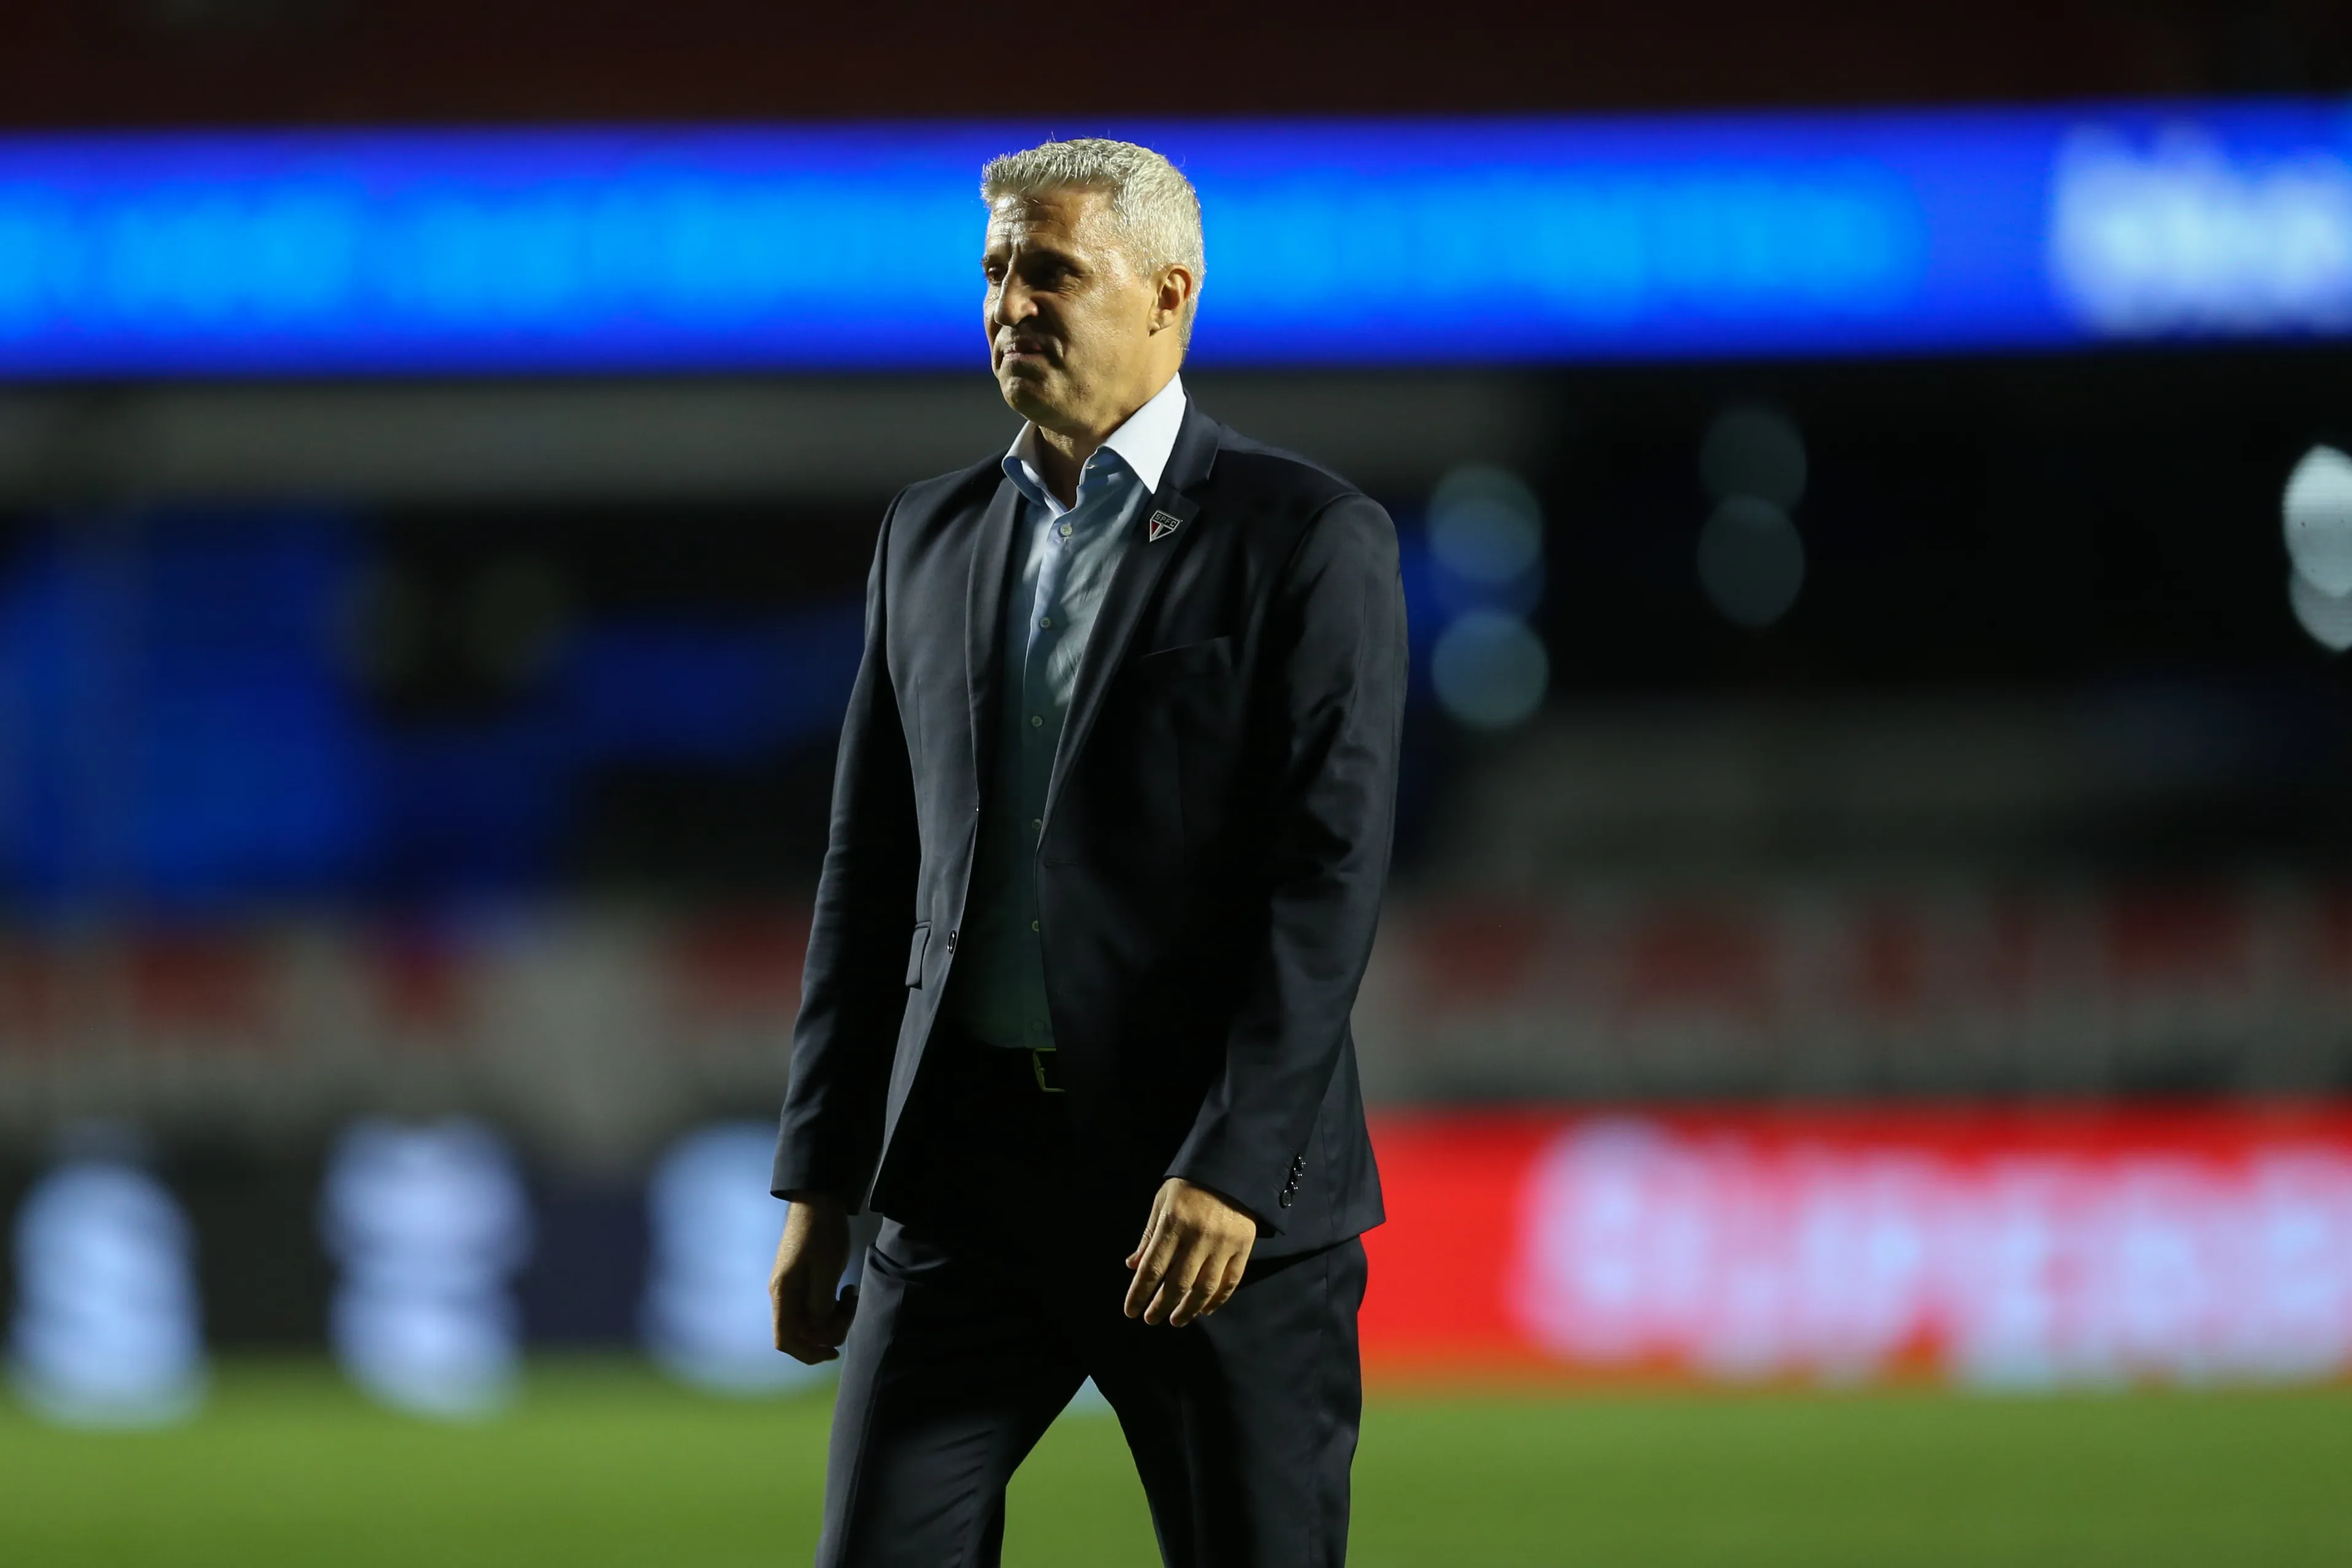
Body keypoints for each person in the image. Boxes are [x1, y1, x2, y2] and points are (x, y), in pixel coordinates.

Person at [768, 136, 1407, 1568]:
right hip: (963, 1185)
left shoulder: (1305, 536)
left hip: (1204, 1205)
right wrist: (821, 1177)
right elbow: (869, 876)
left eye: (1050, 270)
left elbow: (1327, 878)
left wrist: (1236, 1167)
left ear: (1168, 297)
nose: (1010, 304)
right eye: (995, 271)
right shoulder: (925, 536)